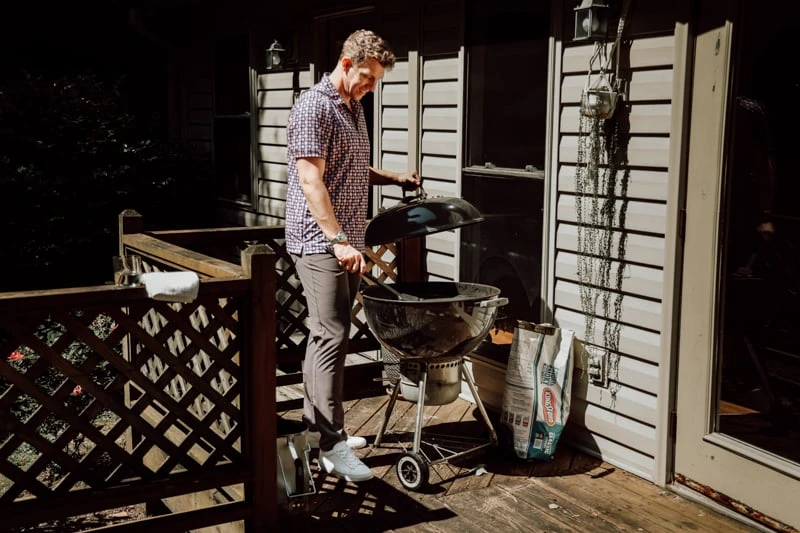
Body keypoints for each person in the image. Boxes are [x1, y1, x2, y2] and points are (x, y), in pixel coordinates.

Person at [285, 29, 421, 482]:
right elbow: (311, 180)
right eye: (368, 76)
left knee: (325, 336)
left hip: (345, 241)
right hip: (319, 241)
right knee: (333, 333)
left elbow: (351, 166)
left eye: (376, 79)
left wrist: (394, 178)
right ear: (346, 63)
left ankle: (319, 430)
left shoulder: (353, 107)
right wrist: (340, 240)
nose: (371, 86)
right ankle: (331, 445)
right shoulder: (314, 107)